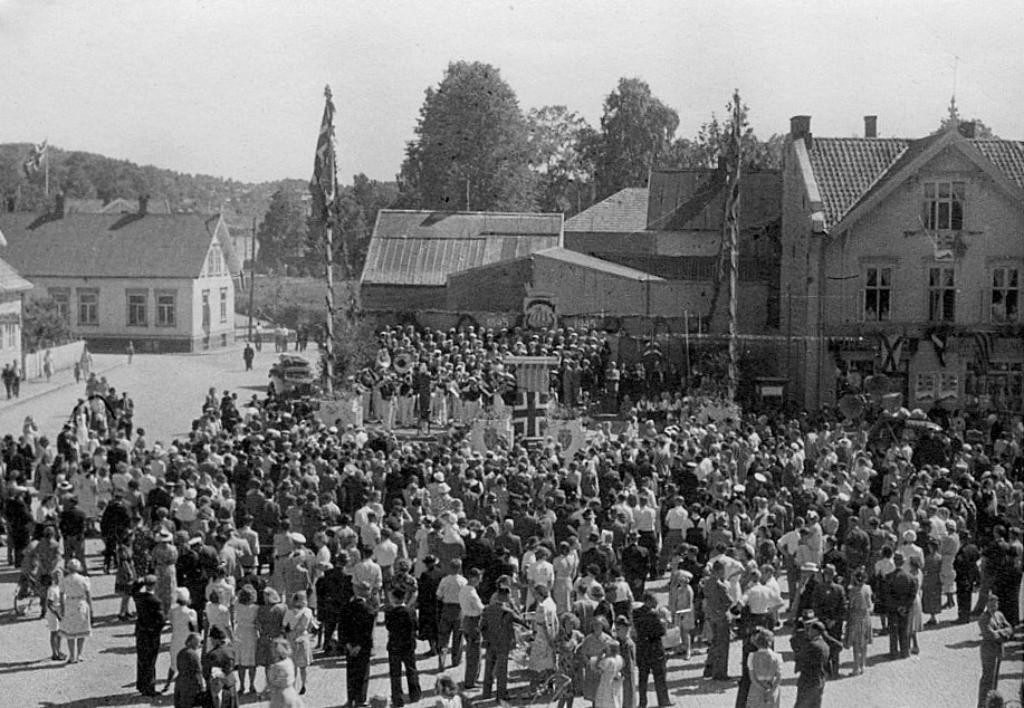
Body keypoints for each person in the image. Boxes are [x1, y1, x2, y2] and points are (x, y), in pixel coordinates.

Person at [481, 585, 522, 705]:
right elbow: (520, 620)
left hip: (490, 642)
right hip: (503, 643)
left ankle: (486, 693)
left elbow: (482, 626)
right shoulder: (507, 611)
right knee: (502, 671)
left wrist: (486, 637)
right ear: (505, 596)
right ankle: (501, 695)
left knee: (488, 668)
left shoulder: (488, 609)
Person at [341, 581, 376, 708]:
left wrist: (348, 644)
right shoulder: (369, 609)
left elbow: (342, 628)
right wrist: (360, 646)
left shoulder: (347, 607)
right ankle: (361, 699)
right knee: (363, 673)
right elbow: (368, 632)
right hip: (363, 647)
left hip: (350, 645)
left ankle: (350, 699)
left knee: (351, 672)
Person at [385, 586, 422, 707]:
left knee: (395, 672)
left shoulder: (390, 612)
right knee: (411, 669)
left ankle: (397, 697)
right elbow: (416, 626)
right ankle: (415, 694)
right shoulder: (410, 611)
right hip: (408, 644)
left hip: (394, 644)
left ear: (394, 598)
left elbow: (388, 627)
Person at [633, 592, 670, 708]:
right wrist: (663, 623)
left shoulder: (636, 613)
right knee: (660, 676)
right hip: (655, 648)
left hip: (642, 648)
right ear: (648, 601)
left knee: (642, 678)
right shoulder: (654, 615)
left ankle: (642, 702)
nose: (656, 603)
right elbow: (661, 632)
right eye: (654, 600)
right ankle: (663, 700)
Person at [978, 594, 1014, 708]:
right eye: (991, 604)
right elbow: (990, 634)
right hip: (988, 651)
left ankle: (993, 703)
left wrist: (1001, 633)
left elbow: (1010, 628)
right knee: (987, 678)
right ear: (987, 605)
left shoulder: (999, 615)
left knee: (995, 678)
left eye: (995, 604)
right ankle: (983, 704)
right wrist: (1003, 633)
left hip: (998, 650)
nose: (994, 607)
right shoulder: (984, 618)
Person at [134, 574, 166, 696]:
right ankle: (149, 687)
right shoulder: (156, 601)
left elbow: (133, 589)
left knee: (142, 659)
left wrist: (140, 582)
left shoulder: (139, 597)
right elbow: (161, 620)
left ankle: (141, 684)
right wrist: (157, 630)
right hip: (151, 634)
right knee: (151, 661)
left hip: (141, 631)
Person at [164, 588, 199, 693]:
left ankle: (167, 683)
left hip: (175, 638)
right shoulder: (191, 612)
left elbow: (170, 620)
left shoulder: (173, 610)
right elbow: (195, 628)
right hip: (187, 639)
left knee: (173, 663)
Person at [702, 559, 733, 680]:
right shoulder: (720, 585)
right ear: (720, 571)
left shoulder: (707, 583)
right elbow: (728, 601)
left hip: (711, 615)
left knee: (714, 643)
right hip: (721, 616)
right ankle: (720, 672)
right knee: (723, 645)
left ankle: (709, 668)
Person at [283, 590, 317, 695]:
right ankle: (303, 685)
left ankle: (293, 686)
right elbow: (312, 625)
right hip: (303, 637)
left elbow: (285, 625)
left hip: (292, 638)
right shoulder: (308, 612)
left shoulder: (289, 612)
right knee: (303, 665)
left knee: (293, 665)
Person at [60, 558, 93, 664]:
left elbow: (61, 595)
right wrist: (91, 608)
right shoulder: (84, 579)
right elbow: (88, 595)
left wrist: (62, 608)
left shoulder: (65, 580)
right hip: (81, 603)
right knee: (81, 630)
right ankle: (79, 654)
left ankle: (72, 655)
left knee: (70, 631)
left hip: (70, 603)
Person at [256, 587, 288, 695]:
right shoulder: (283, 607)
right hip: (279, 638)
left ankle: (270, 684)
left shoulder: (262, 609)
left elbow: (258, 624)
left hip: (266, 638)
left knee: (268, 664)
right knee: (278, 662)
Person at [791, 619, 830, 708]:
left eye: (809, 629)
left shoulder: (812, 645)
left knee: (801, 705)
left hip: (808, 680)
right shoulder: (825, 645)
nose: (808, 632)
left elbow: (799, 656)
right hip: (820, 679)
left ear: (815, 631)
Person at [886, 552, 917, 659]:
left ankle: (893, 653)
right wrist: (905, 606)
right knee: (904, 630)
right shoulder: (911, 577)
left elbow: (887, 594)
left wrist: (896, 606)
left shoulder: (889, 577)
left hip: (893, 608)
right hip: (906, 608)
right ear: (904, 562)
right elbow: (913, 595)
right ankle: (905, 652)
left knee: (893, 631)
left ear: (894, 562)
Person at [459, 567, 485, 689]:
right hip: (473, 621)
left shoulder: (464, 589)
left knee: (472, 651)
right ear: (473, 578)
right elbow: (480, 609)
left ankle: (473, 678)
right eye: (479, 578)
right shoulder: (471, 592)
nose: (480, 581)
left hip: (466, 620)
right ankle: (470, 681)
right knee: (474, 653)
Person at [844, 569, 873, 676]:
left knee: (856, 644)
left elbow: (850, 605)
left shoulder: (853, 590)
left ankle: (856, 667)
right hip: (866, 616)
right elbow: (870, 604)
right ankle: (862, 665)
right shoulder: (868, 588)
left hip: (856, 616)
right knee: (864, 642)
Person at [203, 624, 238, 708]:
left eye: (212, 639)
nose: (211, 641)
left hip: (218, 687)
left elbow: (207, 673)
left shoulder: (212, 654)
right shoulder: (230, 650)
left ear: (216, 639)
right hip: (231, 683)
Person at [746, 627, 782, 708]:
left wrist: (762, 689)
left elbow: (752, 677)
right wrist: (771, 691)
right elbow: (779, 677)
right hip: (771, 686)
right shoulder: (777, 657)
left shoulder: (752, 656)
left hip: (756, 688)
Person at [234, 584, 259, 694]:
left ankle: (242, 686)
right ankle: (252, 685)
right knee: (252, 662)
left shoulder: (237, 605)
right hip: (251, 633)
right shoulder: (256, 608)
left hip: (240, 632)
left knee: (241, 663)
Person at [266, 637, 305, 708]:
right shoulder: (289, 662)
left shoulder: (275, 667)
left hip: (280, 695)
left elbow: (272, 682)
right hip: (292, 693)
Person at [173, 633, 205, 708]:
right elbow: (198, 671)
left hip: (180, 682)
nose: (198, 645)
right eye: (197, 642)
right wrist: (201, 686)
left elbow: (178, 667)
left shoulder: (181, 652)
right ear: (191, 642)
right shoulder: (193, 654)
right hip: (191, 685)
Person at [41, 574, 66, 661]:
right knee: (54, 633)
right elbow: (50, 604)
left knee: (59, 633)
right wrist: (57, 614)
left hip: (58, 612)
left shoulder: (58, 588)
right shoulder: (51, 590)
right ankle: (54, 653)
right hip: (53, 614)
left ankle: (58, 650)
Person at [595, 641, 625, 708]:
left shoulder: (608, 660)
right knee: (616, 701)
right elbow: (623, 667)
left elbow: (597, 667)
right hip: (616, 684)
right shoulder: (620, 658)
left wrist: (599, 656)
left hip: (606, 683)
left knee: (605, 702)